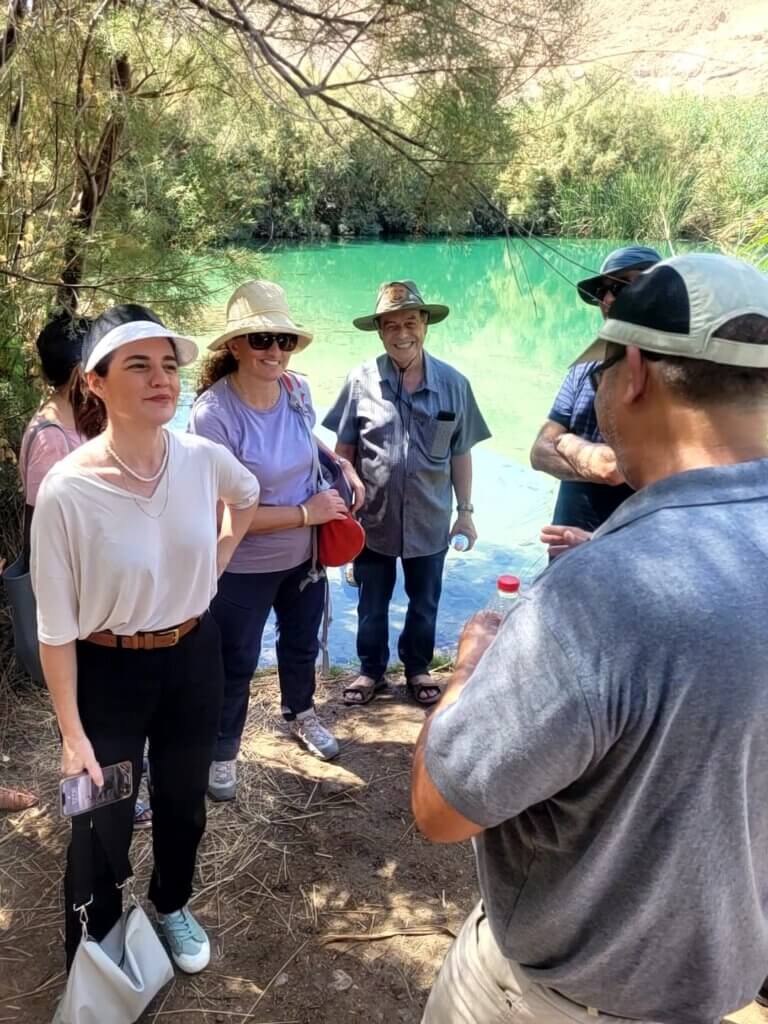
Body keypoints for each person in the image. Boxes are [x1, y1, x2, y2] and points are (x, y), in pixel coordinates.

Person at [412, 253, 768, 1024]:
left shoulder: (602, 592)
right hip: (714, 989)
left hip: (558, 996)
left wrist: (471, 666)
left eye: (600, 368)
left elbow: (441, 808)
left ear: (632, 370)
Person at [31, 304, 260, 973]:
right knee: (98, 815)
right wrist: (72, 734)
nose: (163, 379)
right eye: (139, 364)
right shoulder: (66, 491)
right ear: (95, 382)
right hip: (107, 670)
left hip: (193, 656)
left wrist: (217, 560)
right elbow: (53, 629)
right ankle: (95, 940)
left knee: (183, 801)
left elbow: (245, 497)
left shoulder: (199, 457)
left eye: (168, 364)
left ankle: (171, 904)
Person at [190, 280, 364, 801]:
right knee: (236, 660)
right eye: (262, 339)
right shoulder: (213, 414)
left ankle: (301, 714)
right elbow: (222, 512)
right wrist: (303, 512)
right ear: (235, 346)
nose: (275, 352)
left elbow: (304, 440)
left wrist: (339, 465)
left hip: (305, 556)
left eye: (283, 341)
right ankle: (222, 751)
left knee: (301, 642)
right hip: (243, 562)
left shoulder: (297, 389)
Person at [323, 280, 490, 707]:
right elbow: (343, 452)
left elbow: (461, 453)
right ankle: (370, 671)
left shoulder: (455, 384)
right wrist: (340, 513)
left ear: (425, 324)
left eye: (410, 322)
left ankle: (417, 669)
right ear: (379, 330)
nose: (402, 333)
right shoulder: (359, 381)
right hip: (373, 520)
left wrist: (466, 512)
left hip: (431, 518)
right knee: (371, 604)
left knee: (425, 601)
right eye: (391, 325)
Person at [530, 245, 661, 534]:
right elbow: (539, 452)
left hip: (629, 546)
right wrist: (592, 458)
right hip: (565, 541)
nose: (608, 299)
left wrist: (567, 443)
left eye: (620, 287)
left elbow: (613, 468)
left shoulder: (667, 373)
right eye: (602, 291)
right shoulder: (584, 367)